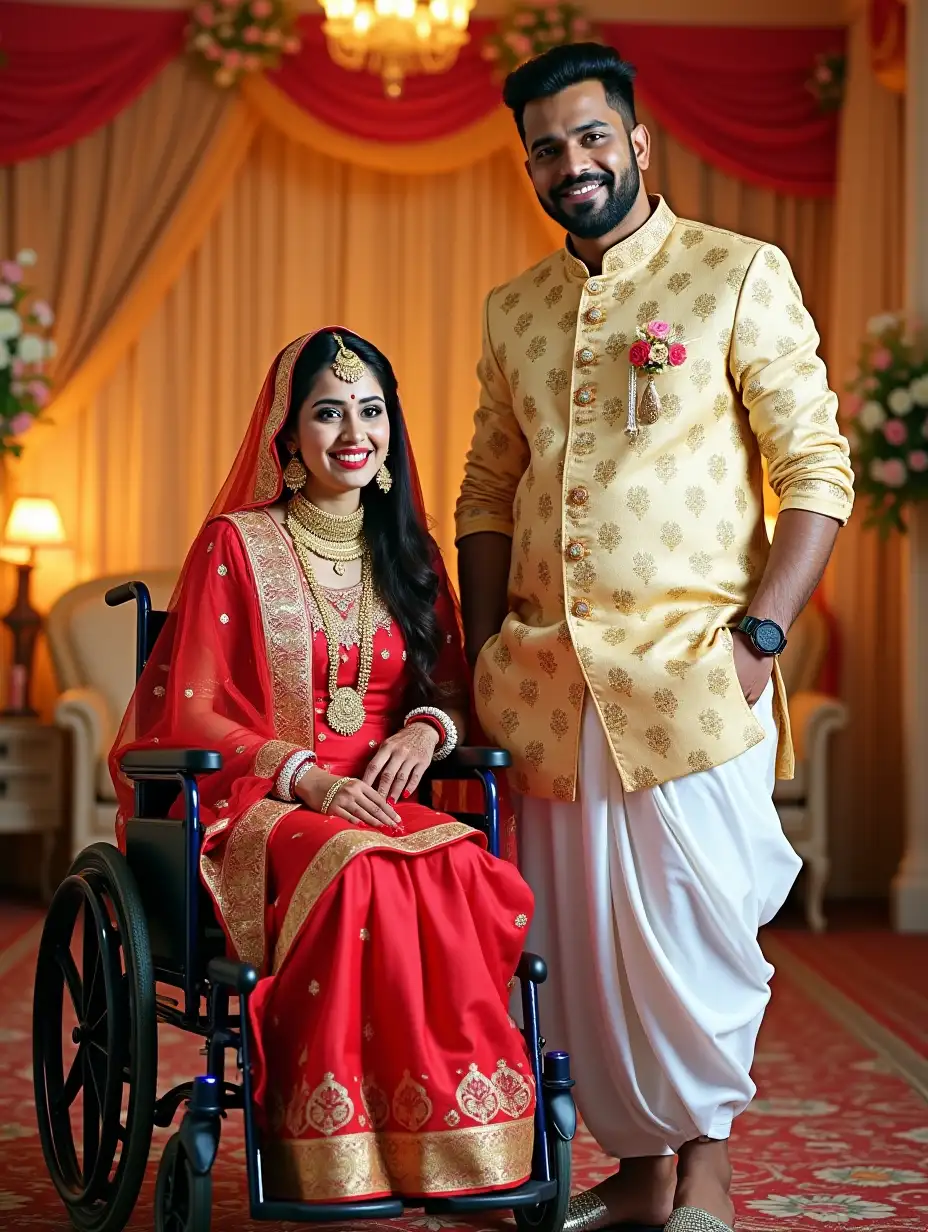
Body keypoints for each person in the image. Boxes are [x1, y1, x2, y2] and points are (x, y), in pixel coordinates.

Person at [455, 43, 854, 1232]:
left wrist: (761, 638)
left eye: (588, 137)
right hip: (542, 688)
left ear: (637, 141)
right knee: (576, 951)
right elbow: (485, 488)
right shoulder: (512, 308)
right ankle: (634, 1174)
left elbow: (815, 468)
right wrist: (482, 648)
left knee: (694, 944)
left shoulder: (737, 273)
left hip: (694, 679)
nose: (568, 163)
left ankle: (709, 1169)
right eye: (543, 148)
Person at [111, 329, 537, 1203]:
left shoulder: (407, 547)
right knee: (358, 875)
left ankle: (447, 1139)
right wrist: (302, 773)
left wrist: (425, 731)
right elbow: (189, 710)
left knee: (460, 864)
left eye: (372, 410)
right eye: (329, 410)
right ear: (289, 434)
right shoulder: (236, 545)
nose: (355, 430)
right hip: (266, 800)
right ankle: (336, 1147)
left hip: (384, 795)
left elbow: (452, 689)